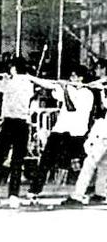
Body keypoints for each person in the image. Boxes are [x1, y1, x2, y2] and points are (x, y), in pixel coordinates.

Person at [0, 58, 52, 208]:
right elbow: (47, 85)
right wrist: (30, 77)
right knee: (17, 161)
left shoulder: (11, 82)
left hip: (10, 123)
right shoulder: (27, 83)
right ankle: (13, 196)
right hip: (23, 125)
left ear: (14, 68)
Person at [26, 66, 94, 202]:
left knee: (78, 164)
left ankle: (86, 190)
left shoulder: (87, 94)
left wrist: (65, 90)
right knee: (46, 160)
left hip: (77, 133)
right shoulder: (68, 88)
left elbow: (71, 107)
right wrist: (31, 78)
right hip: (60, 130)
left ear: (81, 78)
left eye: (74, 76)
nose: (71, 78)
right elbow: (49, 85)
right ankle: (34, 190)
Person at [62, 79, 107, 206]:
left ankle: (78, 194)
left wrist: (100, 90)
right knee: (104, 164)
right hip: (103, 129)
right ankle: (101, 193)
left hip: (104, 130)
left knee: (90, 163)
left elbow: (104, 106)